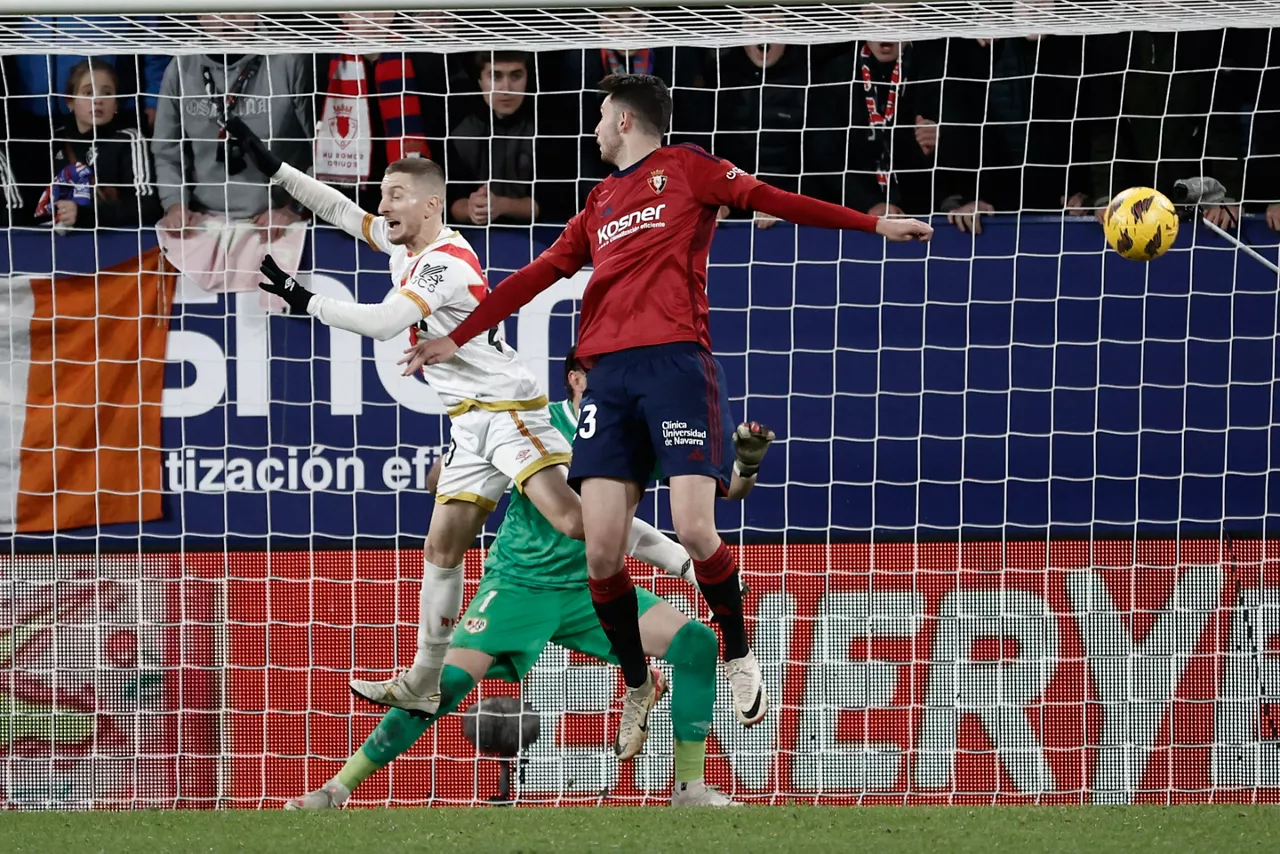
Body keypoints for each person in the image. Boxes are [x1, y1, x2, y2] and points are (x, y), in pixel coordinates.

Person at [400, 73, 932, 761]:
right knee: (600, 550)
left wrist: (874, 222)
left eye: (598, 117)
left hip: (677, 365)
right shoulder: (598, 202)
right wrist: (458, 335)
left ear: (624, 121)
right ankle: (634, 682)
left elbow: (775, 198)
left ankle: (739, 653)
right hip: (610, 379)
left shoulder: (687, 168)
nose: (591, 128)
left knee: (694, 527)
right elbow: (537, 274)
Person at [222, 117, 682, 723]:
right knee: (441, 546)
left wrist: (303, 297)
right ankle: (423, 679)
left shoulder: (443, 263)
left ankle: (687, 564)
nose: (381, 205)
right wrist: (274, 168)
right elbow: (339, 210)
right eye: (383, 193)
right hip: (469, 423)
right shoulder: (405, 242)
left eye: (396, 194)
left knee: (574, 522)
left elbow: (383, 324)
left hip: (505, 410)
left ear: (431, 204)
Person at [284, 350, 775, 809]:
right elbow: (445, 479)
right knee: (443, 684)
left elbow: (725, 488)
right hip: (519, 584)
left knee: (698, 645)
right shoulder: (539, 422)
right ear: (577, 380)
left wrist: (747, 462)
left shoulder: (639, 434)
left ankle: (688, 787)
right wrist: (456, 472)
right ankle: (335, 790)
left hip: (590, 590)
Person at [35, 59, 161, 231]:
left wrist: (85, 215)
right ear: (69, 101)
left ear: (116, 103)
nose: (97, 100)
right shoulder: (54, 141)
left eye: (107, 94)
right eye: (88, 93)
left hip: (115, 244)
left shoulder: (129, 140)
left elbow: (148, 207)